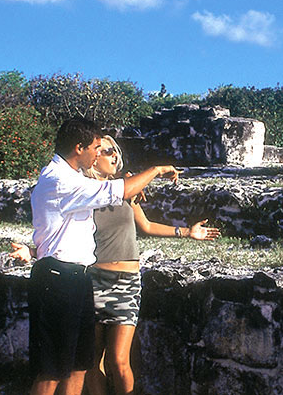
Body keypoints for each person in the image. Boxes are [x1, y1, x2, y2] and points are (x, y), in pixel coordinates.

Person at [27, 118, 180, 395]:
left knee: (78, 365)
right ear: (79, 148)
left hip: (77, 277)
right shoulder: (60, 181)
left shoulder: (70, 178)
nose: (99, 153)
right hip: (58, 276)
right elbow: (117, 191)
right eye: (97, 148)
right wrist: (156, 170)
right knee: (52, 369)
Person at [83, 136, 220, 395]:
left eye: (115, 151)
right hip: (92, 281)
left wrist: (186, 233)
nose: (114, 156)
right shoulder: (82, 191)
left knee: (119, 361)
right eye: (106, 151)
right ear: (92, 157)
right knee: (93, 362)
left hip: (126, 283)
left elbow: (146, 226)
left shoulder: (126, 189)